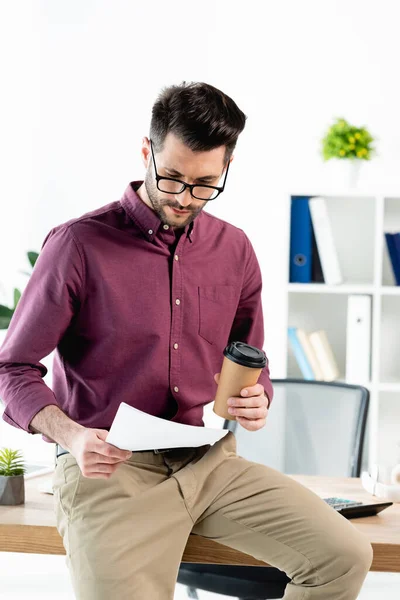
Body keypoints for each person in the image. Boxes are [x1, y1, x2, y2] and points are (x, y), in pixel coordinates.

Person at [0, 81, 372, 599]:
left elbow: (250, 355)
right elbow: (10, 368)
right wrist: (72, 436)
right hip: (111, 469)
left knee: (344, 556)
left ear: (226, 169)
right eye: (171, 177)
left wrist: (256, 395)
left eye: (204, 184)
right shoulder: (78, 245)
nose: (182, 197)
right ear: (147, 151)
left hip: (211, 464)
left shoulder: (234, 249)